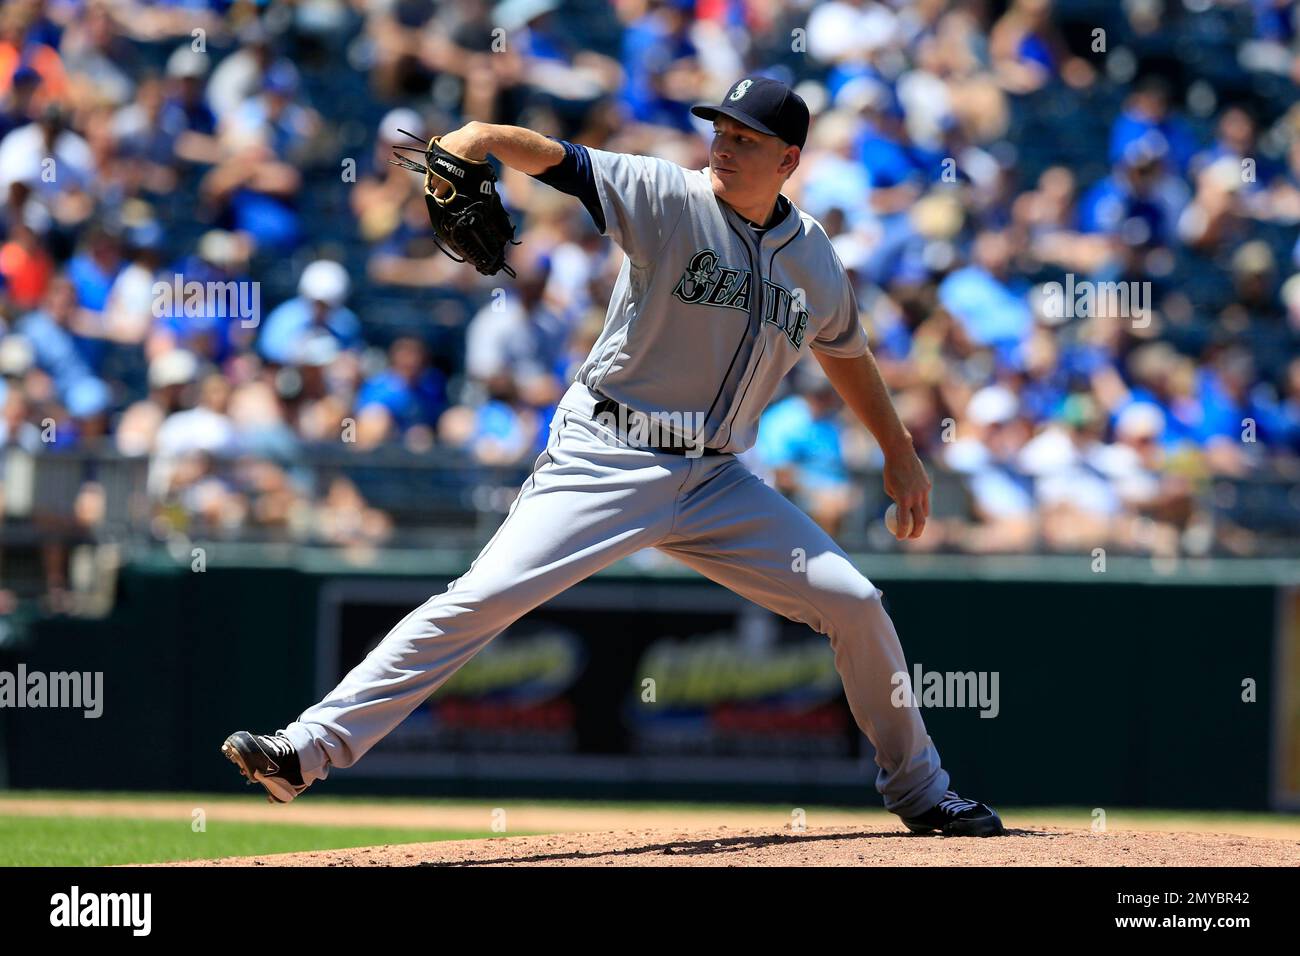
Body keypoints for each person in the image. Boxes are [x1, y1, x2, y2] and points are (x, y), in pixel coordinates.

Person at [222, 75, 1005, 837]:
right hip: (607, 454)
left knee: (857, 603)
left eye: (745, 140)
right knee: (481, 599)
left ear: (790, 160)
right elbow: (560, 161)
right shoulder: (668, 195)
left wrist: (900, 453)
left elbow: (847, 352)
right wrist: (479, 137)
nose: (723, 149)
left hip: (717, 479)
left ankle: (922, 793)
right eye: (719, 133)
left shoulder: (814, 256)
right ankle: (306, 750)